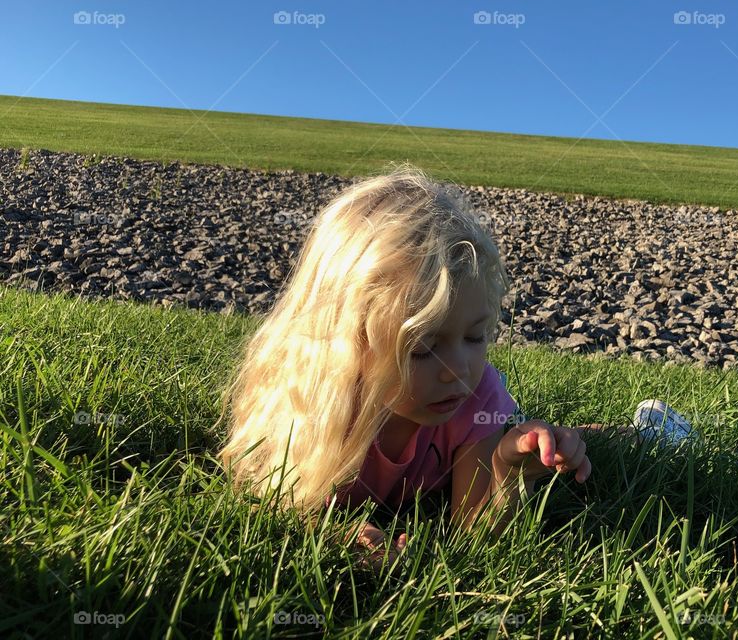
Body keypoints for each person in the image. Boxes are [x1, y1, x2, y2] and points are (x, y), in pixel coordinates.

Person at [216, 164, 695, 569]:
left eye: (474, 336)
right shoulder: (306, 397)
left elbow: (475, 533)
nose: (458, 369)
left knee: (550, 440)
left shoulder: (474, 399)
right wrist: (336, 532)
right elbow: (266, 493)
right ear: (345, 342)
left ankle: (641, 430)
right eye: (423, 346)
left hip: (480, 431)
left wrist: (509, 467)